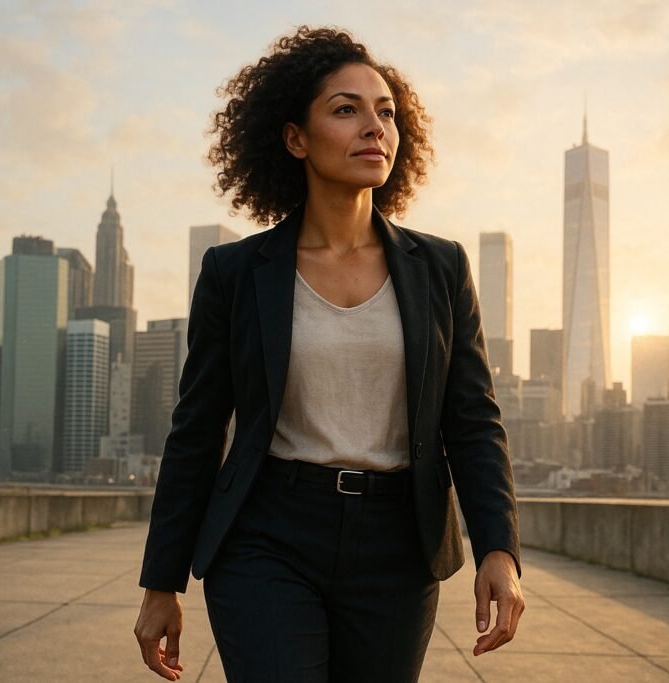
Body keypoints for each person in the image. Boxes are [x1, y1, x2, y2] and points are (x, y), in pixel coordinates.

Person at [133, 25, 524, 682]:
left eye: (386, 112)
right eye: (346, 109)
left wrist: (499, 549)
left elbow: (473, 420)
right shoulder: (236, 273)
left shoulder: (441, 268)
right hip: (268, 534)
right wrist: (160, 582)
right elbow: (198, 428)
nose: (375, 127)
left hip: (398, 545)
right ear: (295, 139)